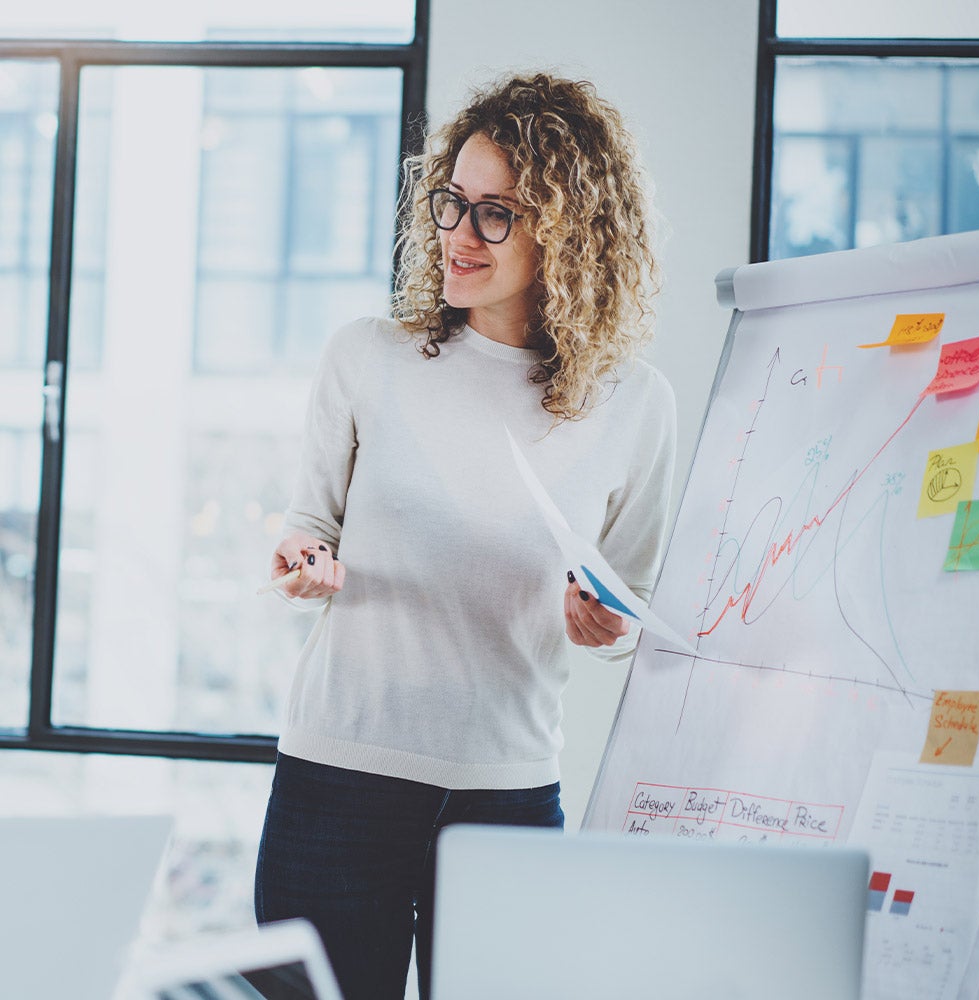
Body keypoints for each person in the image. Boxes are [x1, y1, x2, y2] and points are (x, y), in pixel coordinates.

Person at [254, 71, 676, 1000]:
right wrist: (301, 560)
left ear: (567, 232)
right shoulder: (368, 355)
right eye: (452, 201)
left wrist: (604, 623)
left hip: (506, 794)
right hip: (338, 777)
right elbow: (308, 524)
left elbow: (632, 604)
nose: (457, 234)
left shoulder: (636, 405)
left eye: (497, 214)